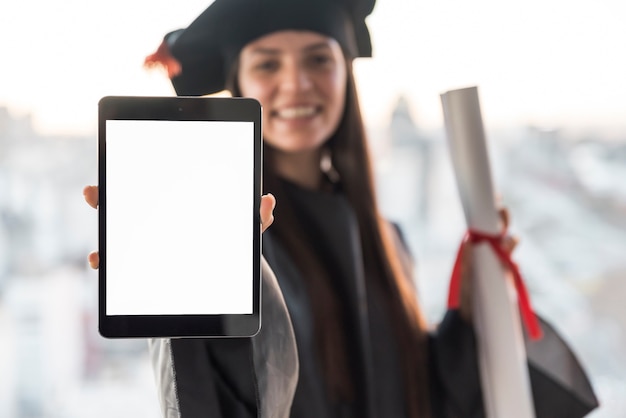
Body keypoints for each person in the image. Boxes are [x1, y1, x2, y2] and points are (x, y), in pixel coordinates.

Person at [84, 0, 599, 417]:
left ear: (346, 73)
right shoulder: (229, 240)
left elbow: (422, 397)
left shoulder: (385, 238)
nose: (297, 83)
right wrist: (186, 281)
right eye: (267, 63)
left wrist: (470, 316)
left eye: (318, 58)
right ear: (238, 84)